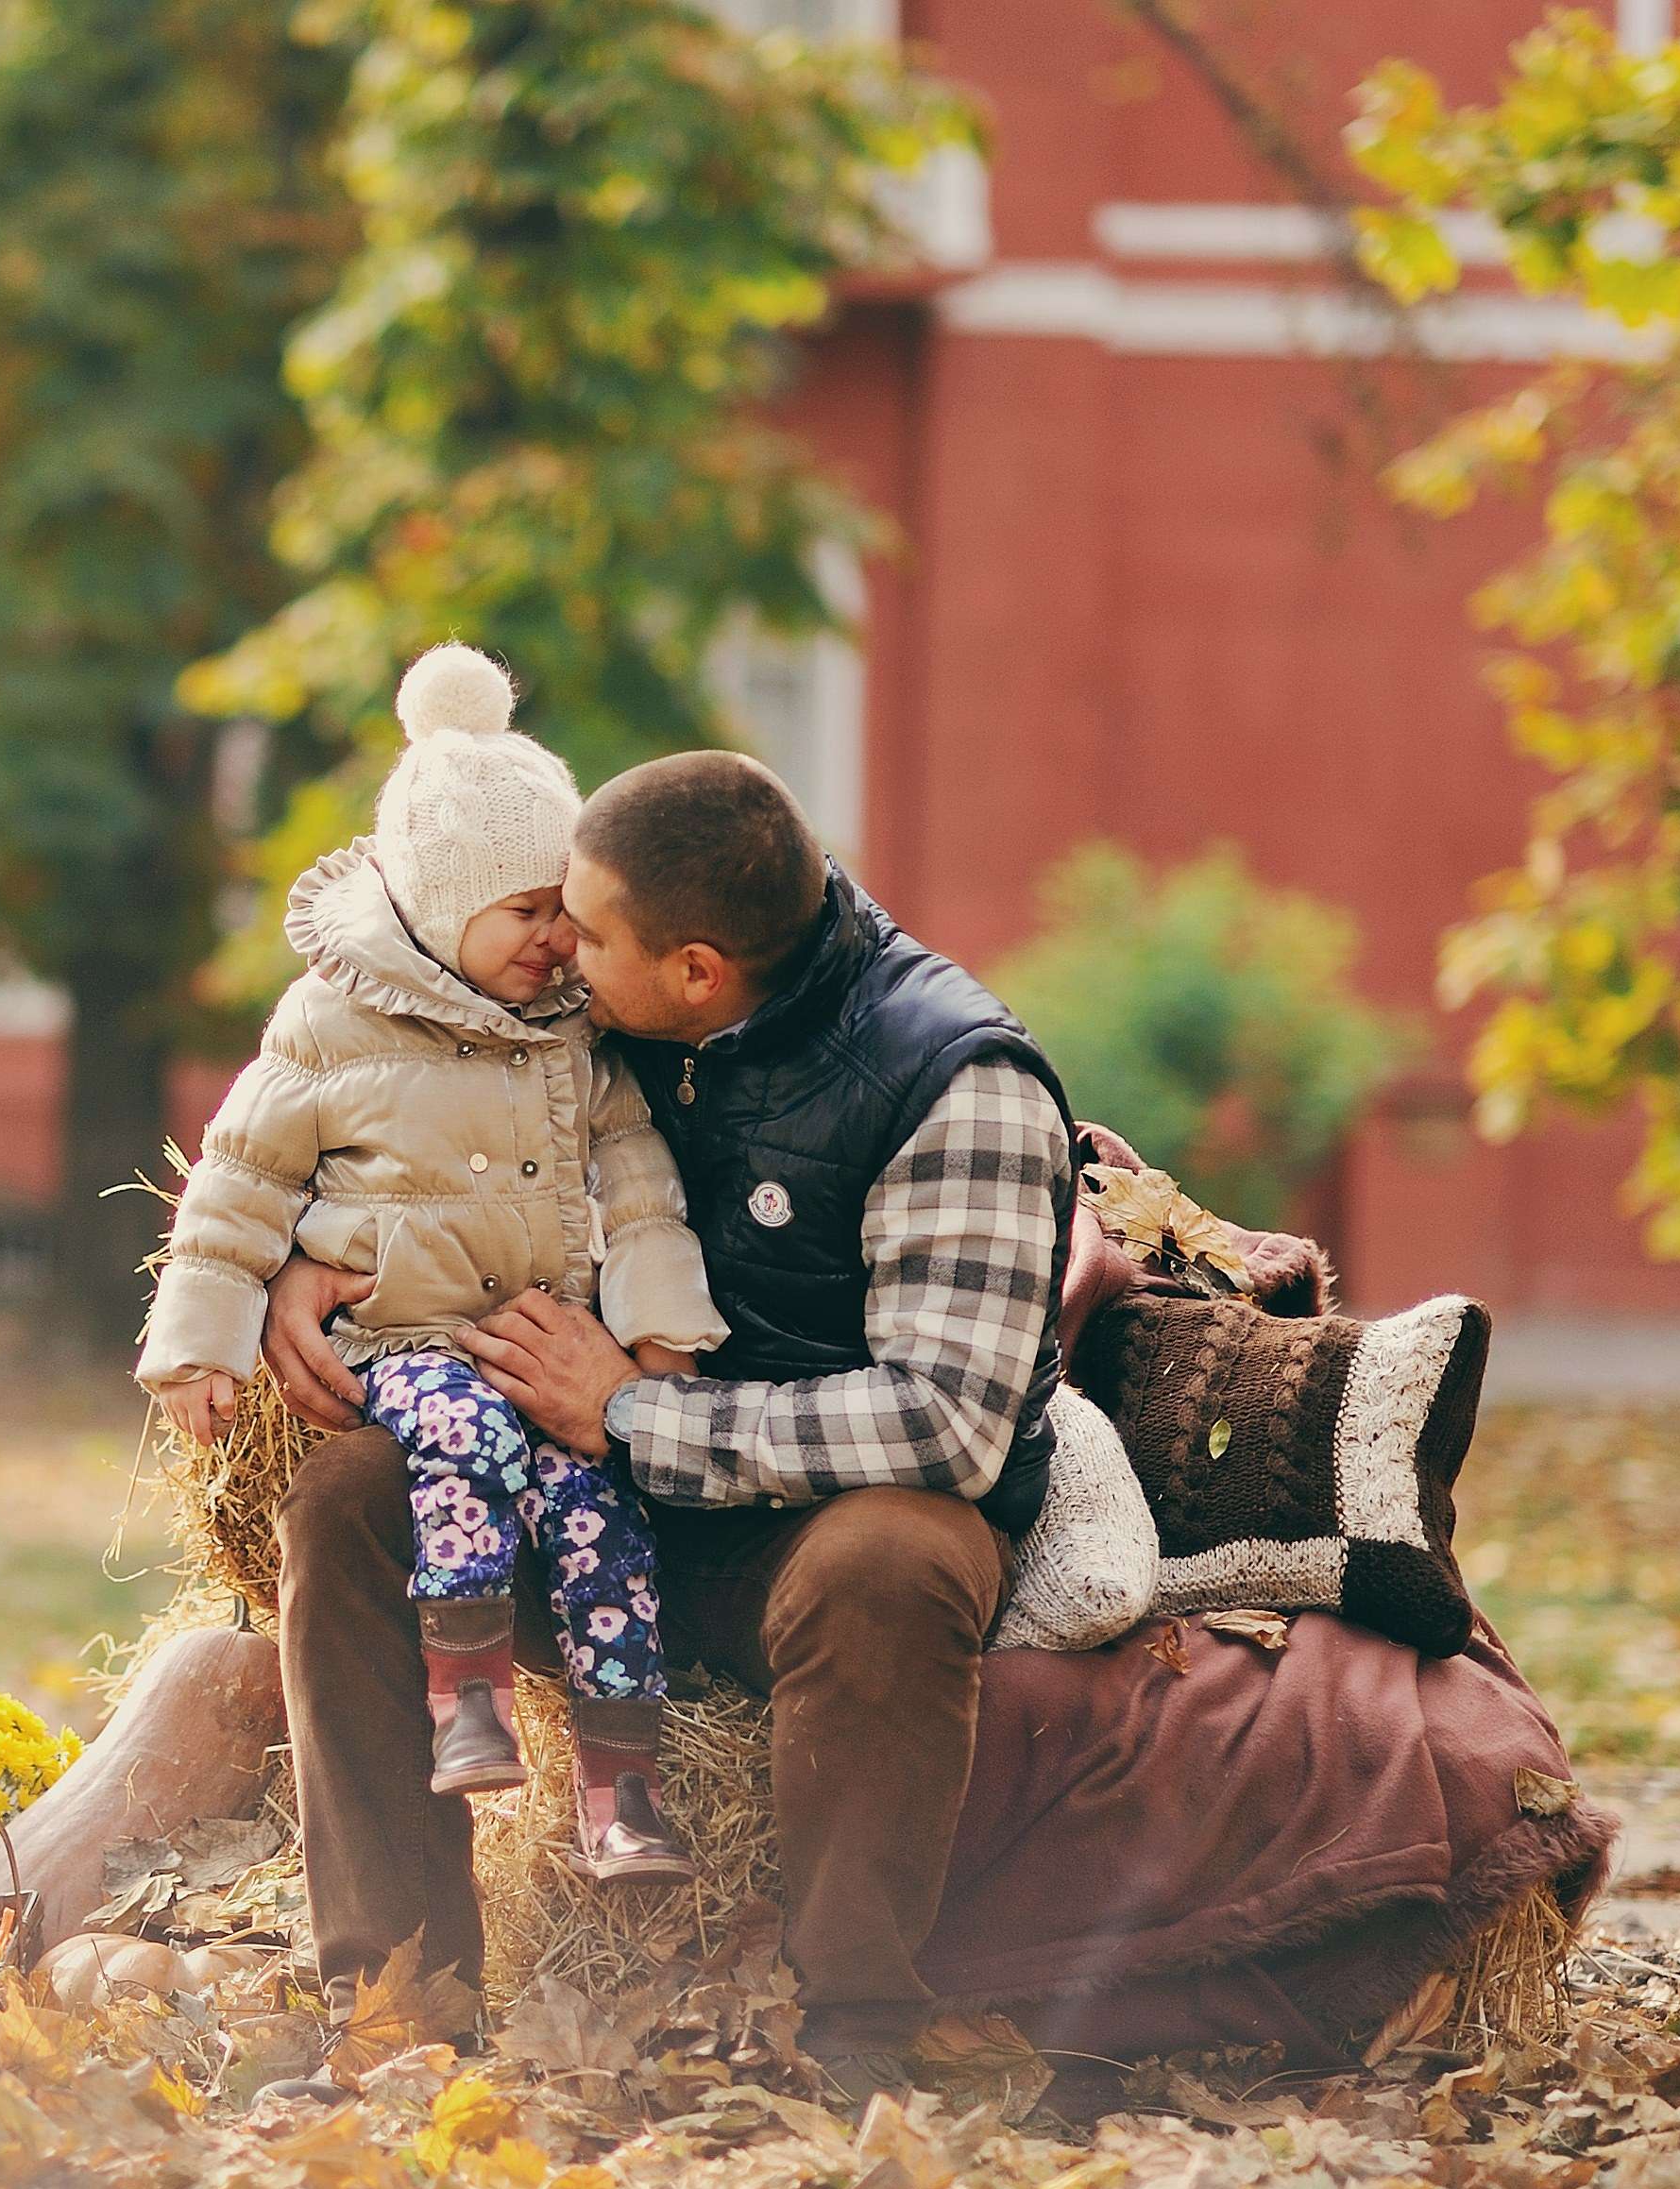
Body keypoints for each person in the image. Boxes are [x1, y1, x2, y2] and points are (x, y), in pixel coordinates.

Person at [259, 747, 1076, 2066]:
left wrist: (637, 1417)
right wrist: (312, 1257)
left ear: (697, 970)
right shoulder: (594, 1012)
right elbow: (384, 1118)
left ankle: (851, 2033)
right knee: (351, 1496)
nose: (556, 951)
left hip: (808, 1529)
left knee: (896, 1558)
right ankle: (400, 2000)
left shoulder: (954, 1080)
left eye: (585, 931)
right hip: (584, 1500)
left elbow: (950, 1425)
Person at [137, 646, 727, 1882]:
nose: (559, 942)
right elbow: (238, 1181)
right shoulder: (331, 1019)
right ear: (438, 907)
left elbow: (644, 1190)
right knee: (468, 1440)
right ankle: (466, 1695)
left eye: (568, 911)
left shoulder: (575, 1036)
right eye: (527, 913)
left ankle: (621, 1790)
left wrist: (665, 1339)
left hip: (543, 1357)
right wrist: (196, 1343)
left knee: (599, 1523)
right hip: (407, 1348)